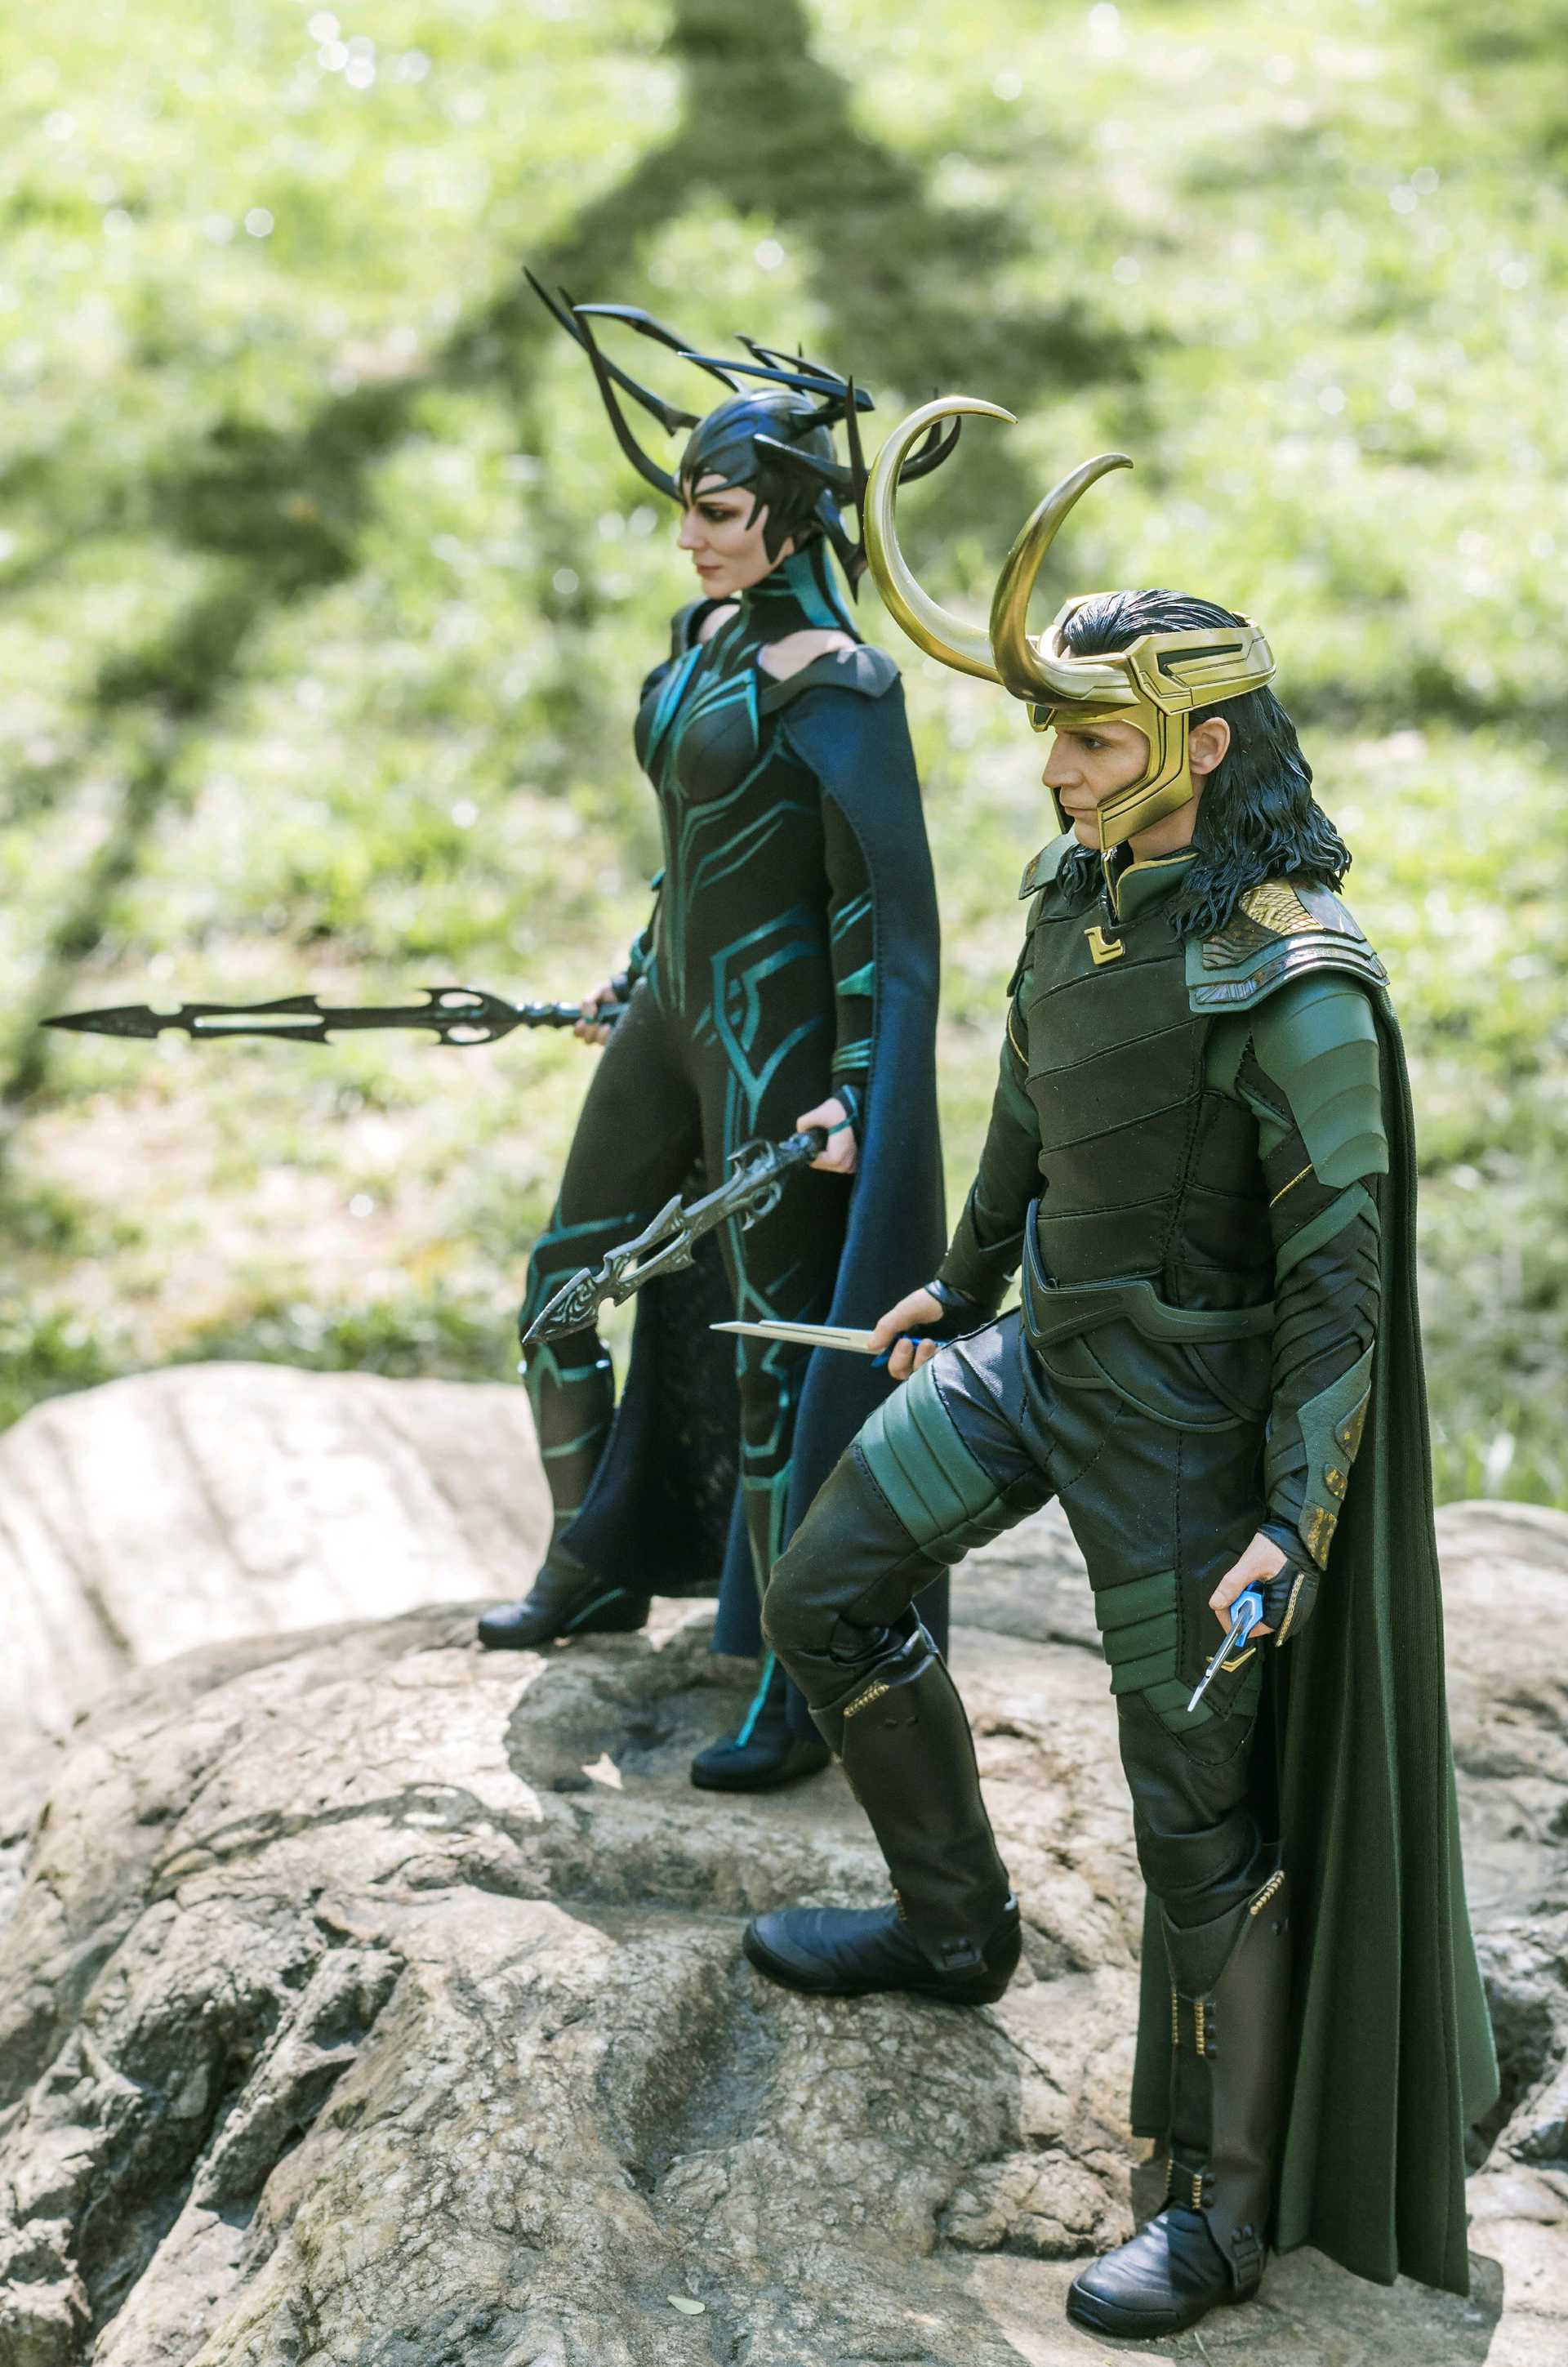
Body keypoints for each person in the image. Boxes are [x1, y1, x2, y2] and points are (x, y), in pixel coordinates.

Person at [741, 399, 1498, 2337]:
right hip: (1033, 1360)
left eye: (1089, 740)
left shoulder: (1296, 984)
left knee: (1193, 1818)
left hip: (1185, 1433)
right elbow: (1026, 1108)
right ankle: (953, 1927)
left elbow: (1343, 1292)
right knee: (827, 1587)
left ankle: (1221, 2211)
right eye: (1057, 739)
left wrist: (1293, 1526)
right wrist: (957, 1281)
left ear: (1201, 742)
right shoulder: (1073, 895)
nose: (1057, 771)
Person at [478, 287, 953, 1793]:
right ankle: (594, 1557)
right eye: (688, 506)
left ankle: (793, 1680)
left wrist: (860, 1084)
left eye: (722, 511)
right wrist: (633, 969)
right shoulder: (699, 641)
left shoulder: (843, 686)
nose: (690, 536)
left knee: (770, 1360)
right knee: (561, 1287)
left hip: (778, 1052)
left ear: (795, 515)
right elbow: (694, 852)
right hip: (674, 1014)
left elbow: (877, 907)